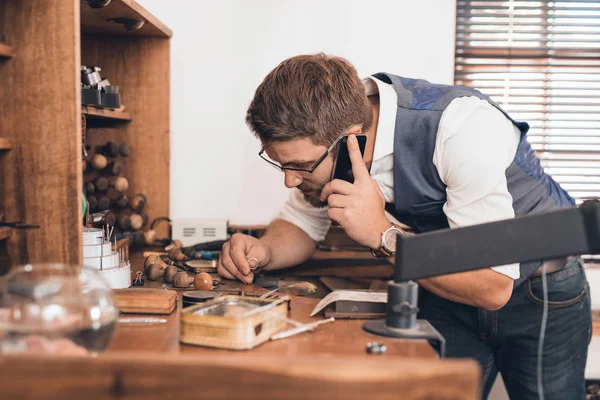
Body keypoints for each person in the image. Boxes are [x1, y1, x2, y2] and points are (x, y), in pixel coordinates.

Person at [217, 53, 592, 400]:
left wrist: (384, 236)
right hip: (443, 289)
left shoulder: (461, 128)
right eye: (280, 164)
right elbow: (301, 222)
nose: (289, 180)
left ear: (351, 138)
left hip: (541, 290)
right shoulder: (332, 136)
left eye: (299, 166)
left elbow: (493, 286)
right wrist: (263, 250)